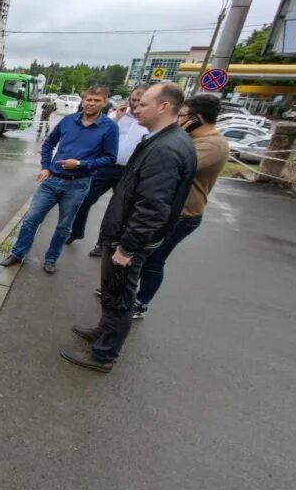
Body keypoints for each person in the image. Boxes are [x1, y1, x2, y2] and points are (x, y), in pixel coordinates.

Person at [62, 82, 197, 373]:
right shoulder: (162, 139)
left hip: (129, 240)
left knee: (121, 296)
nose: (136, 107)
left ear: (164, 107)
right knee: (112, 292)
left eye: (144, 104)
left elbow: (152, 207)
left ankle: (103, 355)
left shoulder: (166, 148)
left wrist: (127, 247)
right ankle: (103, 333)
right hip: (124, 233)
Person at [0, 85, 119, 274]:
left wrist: (79, 163)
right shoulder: (68, 121)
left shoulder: (109, 127)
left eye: (97, 101)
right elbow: (48, 143)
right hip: (52, 180)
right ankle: (17, 253)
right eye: (89, 99)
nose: (91, 103)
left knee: (63, 226)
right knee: (31, 219)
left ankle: (51, 259)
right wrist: (46, 167)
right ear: (83, 99)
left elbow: (110, 158)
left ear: (104, 102)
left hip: (78, 184)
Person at [131, 93, 229, 318]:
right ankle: (126, 294)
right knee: (143, 256)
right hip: (170, 209)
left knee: (154, 259)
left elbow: (171, 166)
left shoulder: (212, 144)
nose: (178, 121)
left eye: (182, 116)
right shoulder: (191, 138)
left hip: (183, 214)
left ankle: (141, 302)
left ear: (198, 118)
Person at [67, 86, 150, 255]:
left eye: (139, 101)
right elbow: (99, 134)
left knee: (117, 209)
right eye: (132, 99)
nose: (134, 104)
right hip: (105, 168)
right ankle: (75, 232)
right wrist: (117, 119)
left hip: (129, 171)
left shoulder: (148, 121)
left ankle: (103, 244)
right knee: (84, 200)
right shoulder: (115, 116)